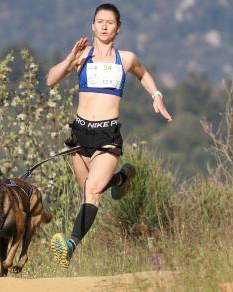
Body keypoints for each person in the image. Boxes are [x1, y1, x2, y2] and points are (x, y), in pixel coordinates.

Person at [46, 3, 173, 268]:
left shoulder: (125, 59)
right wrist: (70, 58)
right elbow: (50, 80)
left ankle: (69, 246)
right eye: (99, 21)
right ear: (92, 25)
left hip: (107, 135)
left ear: (118, 28)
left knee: (92, 191)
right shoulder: (82, 56)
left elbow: (143, 74)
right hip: (80, 135)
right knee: (91, 190)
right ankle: (122, 177)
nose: (104, 26)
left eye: (110, 22)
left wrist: (157, 96)